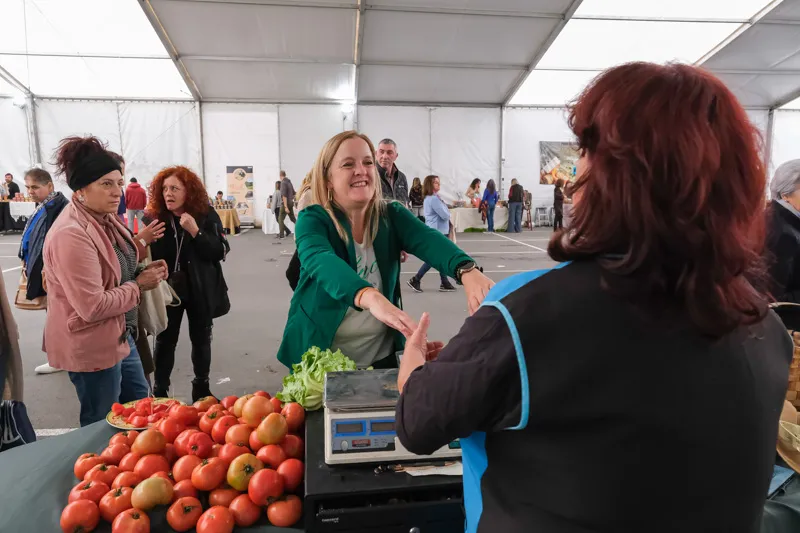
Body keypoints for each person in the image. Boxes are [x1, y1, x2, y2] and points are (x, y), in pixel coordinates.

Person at [395, 62, 792, 533]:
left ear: (614, 174)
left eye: (585, 148)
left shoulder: (526, 314)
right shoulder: (763, 326)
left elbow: (418, 423)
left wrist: (413, 369)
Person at [277, 131, 493, 369]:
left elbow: (429, 240)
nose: (361, 170)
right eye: (348, 164)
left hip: (380, 357)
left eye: (367, 162)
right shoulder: (313, 218)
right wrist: (370, 297)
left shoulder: (392, 214)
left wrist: (467, 270)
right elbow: (319, 259)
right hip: (319, 356)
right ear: (328, 178)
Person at [43, 136, 167, 426]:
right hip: (92, 345)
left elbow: (114, 266)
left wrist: (138, 266)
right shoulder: (71, 235)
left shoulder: (104, 218)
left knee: (141, 408)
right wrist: (139, 285)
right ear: (82, 190)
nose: (117, 193)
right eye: (106, 184)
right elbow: (92, 306)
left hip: (120, 333)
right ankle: (101, 469)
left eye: (119, 183)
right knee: (103, 422)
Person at [147, 166, 230, 401]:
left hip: (199, 288)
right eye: (164, 188)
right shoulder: (156, 219)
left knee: (201, 339)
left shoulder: (205, 215)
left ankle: (201, 387)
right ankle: (159, 390)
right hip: (167, 289)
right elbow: (144, 256)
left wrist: (196, 232)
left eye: (175, 188)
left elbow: (219, 251)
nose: (168, 193)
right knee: (164, 340)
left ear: (188, 191)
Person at [18, 168, 69, 375]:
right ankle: (61, 357)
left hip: (51, 272)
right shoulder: (46, 206)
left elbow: (53, 243)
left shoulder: (57, 208)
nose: (30, 191)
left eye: (35, 187)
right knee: (54, 316)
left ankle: (60, 359)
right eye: (28, 187)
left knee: (57, 317)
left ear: (50, 186)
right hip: (44, 270)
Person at [407, 175, 458, 293]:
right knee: (434, 258)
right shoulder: (433, 199)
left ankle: (444, 282)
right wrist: (448, 212)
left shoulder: (433, 197)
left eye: (439, 182)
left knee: (440, 257)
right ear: (430, 184)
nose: (438, 184)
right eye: (436, 183)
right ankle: (416, 279)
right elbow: (445, 215)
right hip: (437, 232)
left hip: (437, 231)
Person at [376, 138, 409, 206]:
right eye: (381, 152)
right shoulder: (370, 176)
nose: (384, 156)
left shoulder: (402, 177)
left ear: (396, 156)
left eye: (389, 152)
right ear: (376, 154)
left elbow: (406, 203)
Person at [278, 170, 296, 239]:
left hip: (286, 203)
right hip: (290, 202)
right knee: (292, 218)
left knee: (280, 219)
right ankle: (302, 228)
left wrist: (285, 207)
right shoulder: (289, 182)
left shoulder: (283, 183)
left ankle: (281, 234)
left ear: (280, 176)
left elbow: (284, 196)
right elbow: (294, 193)